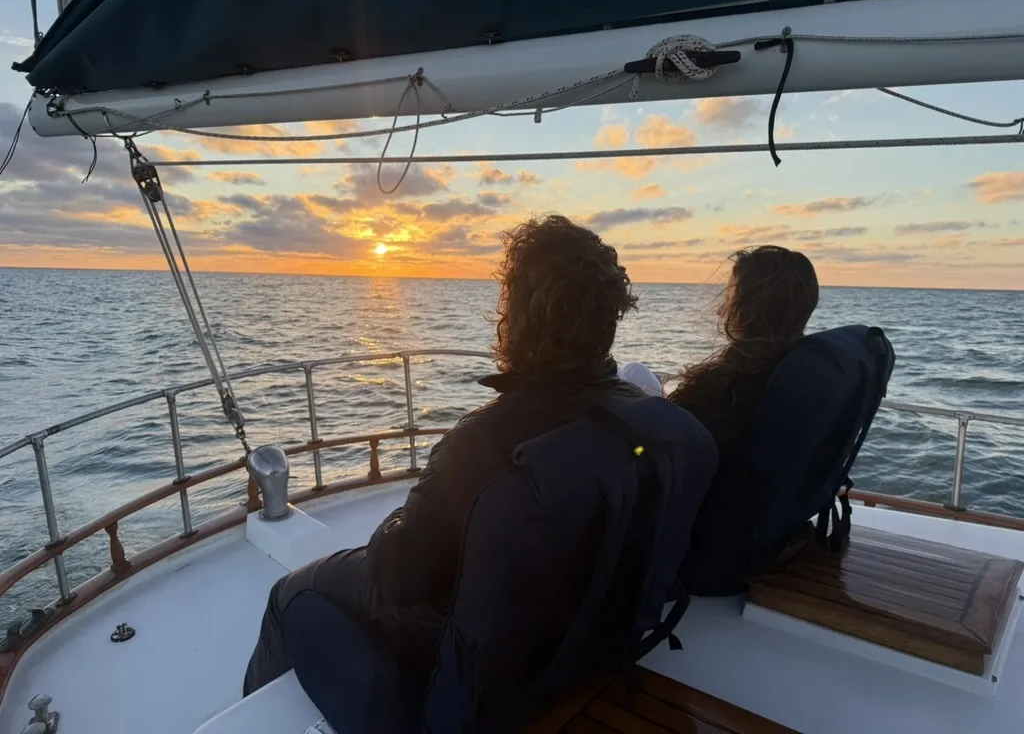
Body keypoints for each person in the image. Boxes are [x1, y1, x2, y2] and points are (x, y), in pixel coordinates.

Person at [242, 213, 645, 695]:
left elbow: (399, 578)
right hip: (577, 638)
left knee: (289, 593)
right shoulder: (643, 419)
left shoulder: (484, 445)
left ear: (517, 319)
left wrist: (399, 521)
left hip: (479, 656)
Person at [669, 245, 819, 594]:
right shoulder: (794, 374)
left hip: (702, 551)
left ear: (742, 307)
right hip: (762, 535)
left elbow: (663, 462)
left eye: (731, 292)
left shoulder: (721, 389)